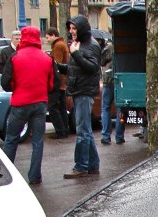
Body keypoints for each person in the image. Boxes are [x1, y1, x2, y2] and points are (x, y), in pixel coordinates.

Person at [0, 26, 54, 186]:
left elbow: (5, 83)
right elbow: (52, 84)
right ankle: (35, 176)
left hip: (20, 103)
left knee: (11, 139)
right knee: (37, 141)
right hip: (39, 103)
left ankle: (6, 175)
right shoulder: (46, 58)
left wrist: (17, 87)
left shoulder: (15, 57)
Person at [64, 15, 101, 179]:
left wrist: (76, 53)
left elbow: (92, 67)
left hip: (84, 92)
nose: (71, 32)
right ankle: (93, 165)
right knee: (85, 130)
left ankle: (81, 166)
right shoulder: (79, 44)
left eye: (74, 28)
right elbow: (76, 68)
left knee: (83, 131)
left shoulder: (90, 45)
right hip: (80, 90)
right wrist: (60, 67)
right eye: (70, 28)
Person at [100, 38, 125, 145]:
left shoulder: (108, 47)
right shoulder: (122, 46)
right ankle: (119, 136)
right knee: (120, 109)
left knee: (105, 108)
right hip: (119, 81)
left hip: (108, 80)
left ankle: (105, 136)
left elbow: (101, 62)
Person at [45, 28, 69, 139]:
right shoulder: (61, 44)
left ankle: (60, 131)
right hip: (63, 81)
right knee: (62, 107)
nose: (46, 39)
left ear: (53, 35)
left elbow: (56, 64)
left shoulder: (58, 46)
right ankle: (64, 129)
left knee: (53, 107)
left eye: (47, 36)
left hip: (58, 81)